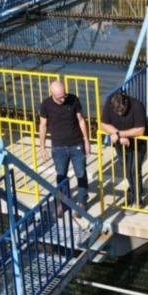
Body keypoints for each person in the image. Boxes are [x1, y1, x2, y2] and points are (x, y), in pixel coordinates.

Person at [39, 80, 90, 209]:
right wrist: (42, 147)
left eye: (64, 95)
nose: (63, 99)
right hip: (58, 147)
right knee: (61, 176)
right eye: (60, 98)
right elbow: (43, 126)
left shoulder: (73, 100)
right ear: (52, 94)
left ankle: (82, 201)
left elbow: (81, 120)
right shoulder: (45, 105)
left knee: (81, 173)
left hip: (76, 145)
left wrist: (86, 141)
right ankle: (64, 202)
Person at [100, 91, 148, 206]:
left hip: (138, 144)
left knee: (134, 170)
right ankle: (132, 191)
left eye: (121, 110)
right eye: (117, 112)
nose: (120, 113)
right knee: (127, 170)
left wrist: (119, 134)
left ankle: (137, 200)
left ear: (125, 102)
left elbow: (140, 130)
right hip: (121, 144)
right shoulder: (109, 104)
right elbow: (103, 124)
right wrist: (118, 134)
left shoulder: (137, 105)